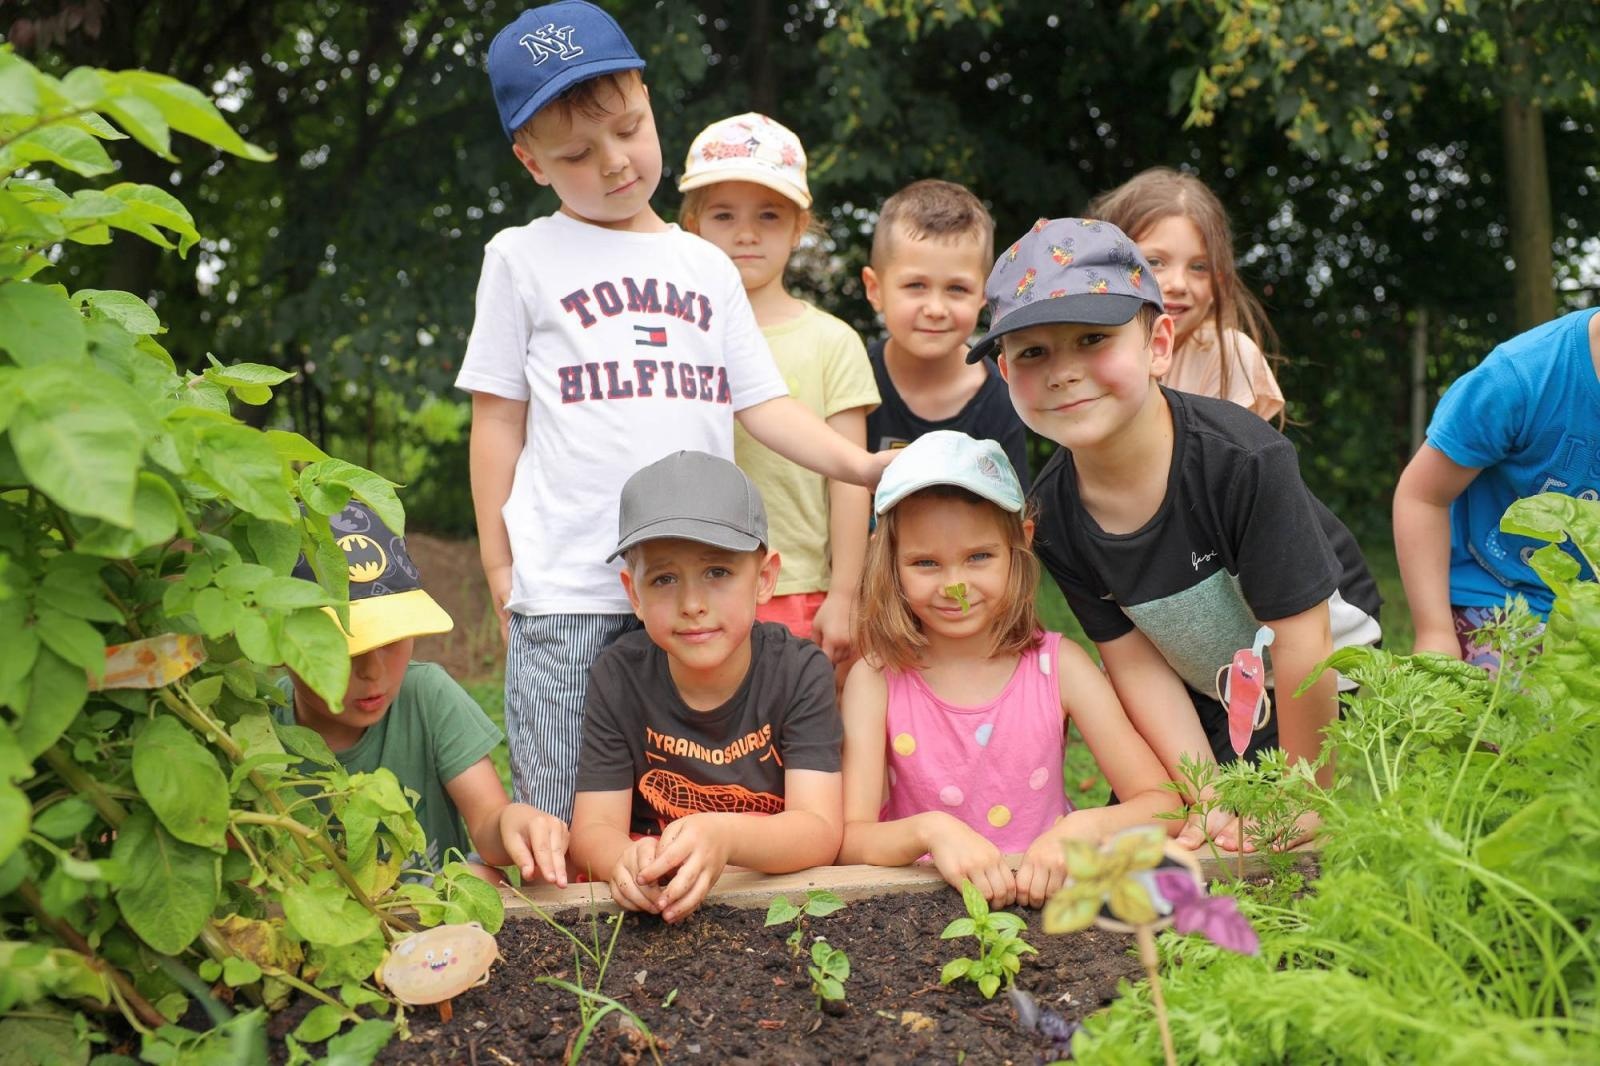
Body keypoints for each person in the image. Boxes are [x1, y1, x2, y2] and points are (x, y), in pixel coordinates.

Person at [456, 2, 889, 822]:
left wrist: (859, 466)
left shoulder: (705, 267)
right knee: (562, 819)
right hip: (572, 590)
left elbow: (765, 405)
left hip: (698, 588)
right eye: (577, 153)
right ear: (530, 160)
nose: (615, 162)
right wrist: (498, 564)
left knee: (697, 810)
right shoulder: (519, 258)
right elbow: (498, 420)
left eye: (628, 128)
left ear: (650, 101)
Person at [974, 218, 1381, 849]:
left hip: (1321, 678)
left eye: (1092, 338)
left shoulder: (1244, 461)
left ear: (1158, 344)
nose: (1063, 372)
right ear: (1004, 372)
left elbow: (1306, 646)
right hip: (1206, 686)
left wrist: (1303, 800)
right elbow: (1136, 665)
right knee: (1157, 829)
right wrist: (1207, 792)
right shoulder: (1051, 515)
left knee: (1258, 843)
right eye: (1033, 353)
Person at [837, 432, 1177, 907]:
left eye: (979, 556)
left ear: (1021, 541)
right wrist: (930, 831)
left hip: (1051, 903)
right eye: (926, 563)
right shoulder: (875, 680)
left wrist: (1084, 828)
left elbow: (1163, 804)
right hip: (920, 910)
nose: (955, 586)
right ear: (888, 560)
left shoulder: (1061, 668)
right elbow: (850, 839)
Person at [568, 452, 844, 922]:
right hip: (656, 899)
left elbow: (820, 831)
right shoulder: (619, 676)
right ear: (634, 594)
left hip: (769, 898)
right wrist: (624, 859)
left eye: (718, 572)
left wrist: (725, 837)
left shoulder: (799, 671)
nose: (692, 603)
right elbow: (592, 830)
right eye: (664, 579)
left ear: (764, 578)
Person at [275, 501, 569, 886]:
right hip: (316, 914)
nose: (372, 671)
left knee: (479, 877)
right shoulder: (258, 726)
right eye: (343, 647)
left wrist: (514, 821)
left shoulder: (426, 694)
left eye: (391, 640)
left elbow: (487, 824)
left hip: (432, 908)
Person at [676, 113, 879, 664]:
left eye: (768, 215)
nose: (746, 233)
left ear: (798, 227)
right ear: (693, 225)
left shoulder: (832, 341)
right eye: (724, 215)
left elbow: (850, 481)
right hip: (690, 590)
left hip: (799, 588)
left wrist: (844, 593)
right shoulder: (675, 336)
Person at [1393, 307, 1600, 670]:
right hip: (1500, 597)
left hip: (1590, 611)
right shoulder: (1520, 377)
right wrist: (1434, 633)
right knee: (1510, 699)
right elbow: (1422, 497)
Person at [861, 179, 1033, 488]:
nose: (936, 309)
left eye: (957, 288)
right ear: (875, 289)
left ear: (984, 294)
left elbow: (1011, 511)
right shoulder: (852, 380)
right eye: (916, 285)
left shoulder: (1003, 400)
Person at [1087, 168, 1285, 424]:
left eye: (1199, 267)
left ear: (1218, 283)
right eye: (1155, 262)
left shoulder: (1228, 355)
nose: (1179, 284)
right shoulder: (1085, 348)